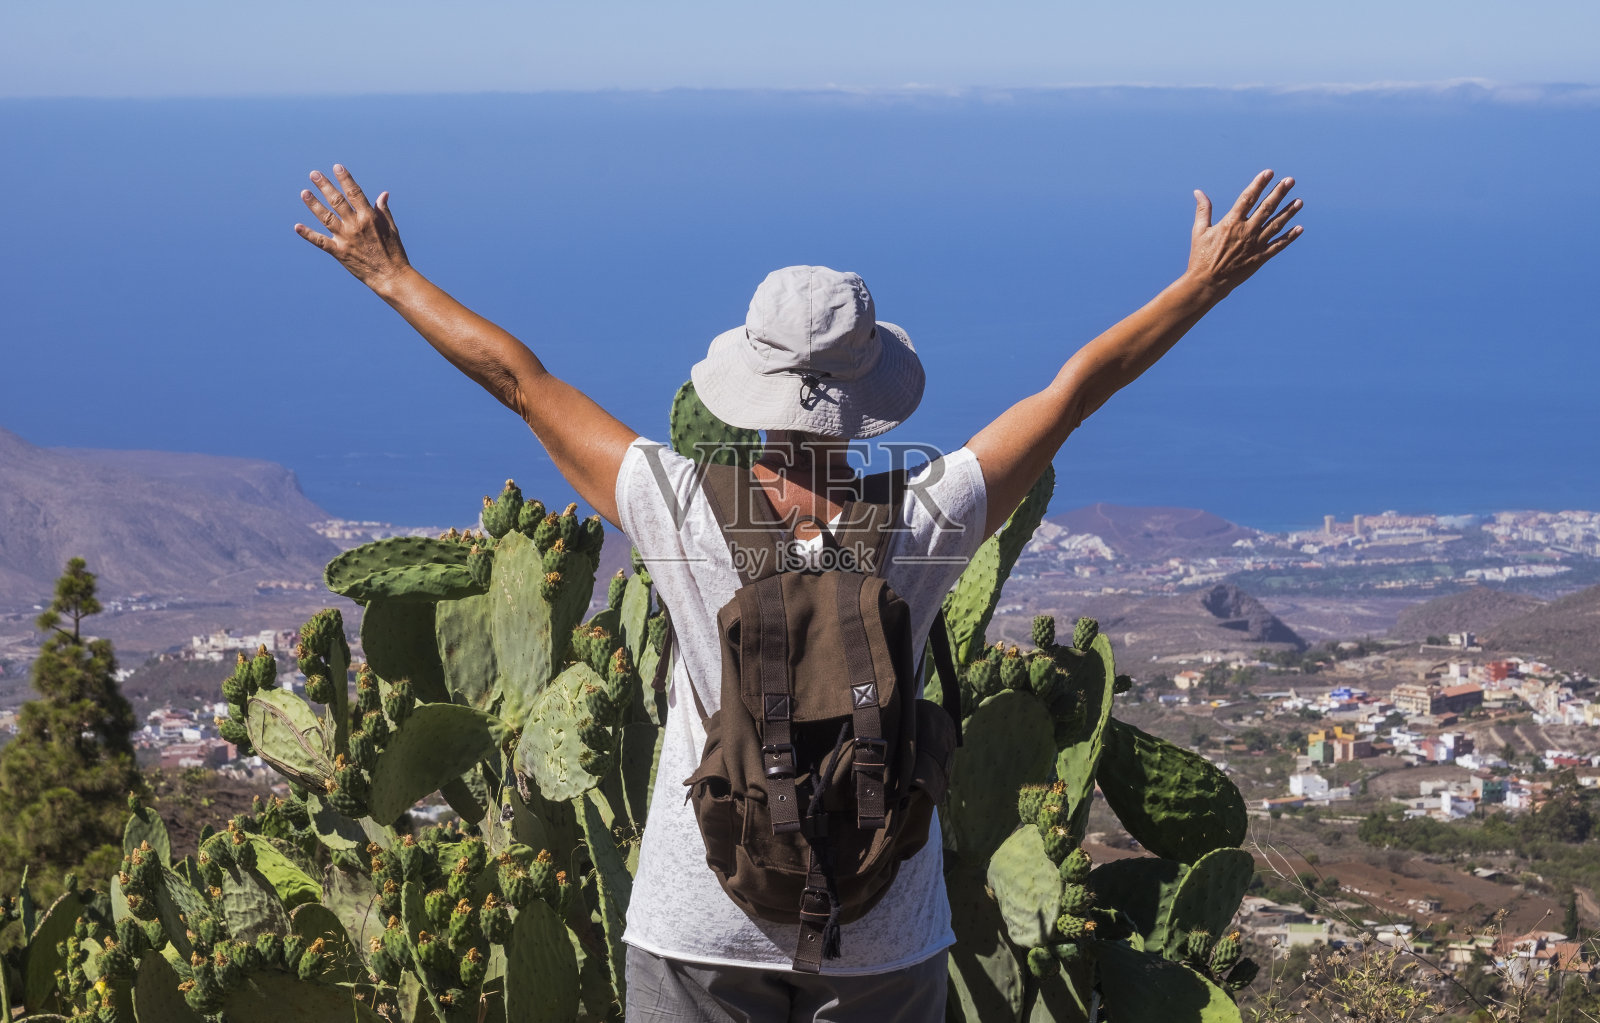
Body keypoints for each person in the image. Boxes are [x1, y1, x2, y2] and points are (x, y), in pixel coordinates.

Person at [295, 164, 1302, 1020]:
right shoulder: (924, 518)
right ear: (869, 392)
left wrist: (390, 274)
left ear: (747, 388)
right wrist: (1203, 283)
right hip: (882, 929)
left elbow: (519, 379)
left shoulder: (676, 505)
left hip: (699, 918)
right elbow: (1074, 390)